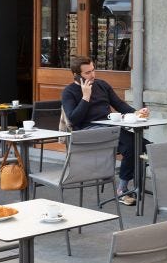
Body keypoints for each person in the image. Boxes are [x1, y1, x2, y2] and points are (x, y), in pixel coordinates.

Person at [61, 56, 150, 206]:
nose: (93, 75)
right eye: (87, 73)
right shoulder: (69, 92)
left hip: (109, 129)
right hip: (88, 133)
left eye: (93, 70)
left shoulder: (102, 85)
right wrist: (86, 97)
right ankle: (123, 189)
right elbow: (74, 119)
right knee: (132, 146)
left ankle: (132, 186)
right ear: (76, 75)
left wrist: (136, 113)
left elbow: (119, 104)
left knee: (144, 146)